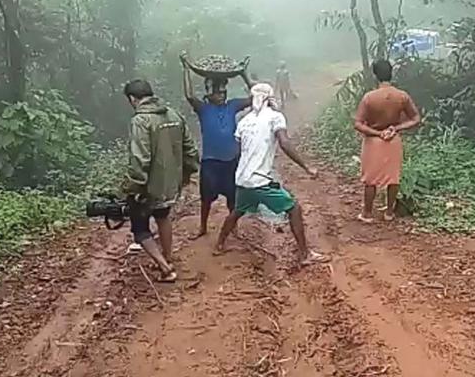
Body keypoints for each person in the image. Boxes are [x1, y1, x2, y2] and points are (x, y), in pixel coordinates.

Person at [214, 83, 329, 266]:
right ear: (269, 98)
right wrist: (306, 166)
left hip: (244, 179)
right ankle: (305, 254)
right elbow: (284, 142)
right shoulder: (275, 117)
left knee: (238, 210)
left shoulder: (244, 121)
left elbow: (238, 151)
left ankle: (219, 244)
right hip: (259, 181)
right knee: (294, 208)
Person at [122, 79, 200, 282]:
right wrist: (186, 174)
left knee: (139, 229)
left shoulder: (140, 121)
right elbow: (190, 149)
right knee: (163, 217)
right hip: (169, 184)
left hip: (149, 186)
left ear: (133, 99)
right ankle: (167, 257)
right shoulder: (173, 115)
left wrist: (134, 187)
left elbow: (140, 158)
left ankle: (166, 269)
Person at [181, 54, 253, 238]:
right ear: (208, 95)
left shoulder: (232, 106)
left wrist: (244, 74)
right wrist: (186, 69)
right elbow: (189, 95)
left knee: (232, 198)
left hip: (231, 160)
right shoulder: (204, 109)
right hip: (211, 162)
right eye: (217, 93)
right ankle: (203, 227)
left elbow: (255, 96)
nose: (221, 96)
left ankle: (233, 227)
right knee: (206, 198)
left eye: (223, 92)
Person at [354, 59, 421, 222]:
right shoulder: (402, 96)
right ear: (391, 73)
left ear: (375, 75)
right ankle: (389, 212)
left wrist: (376, 133)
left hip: (374, 141)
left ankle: (367, 213)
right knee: (393, 177)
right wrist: (396, 128)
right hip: (393, 139)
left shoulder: (369, 98)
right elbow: (416, 118)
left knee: (370, 178)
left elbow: (358, 123)